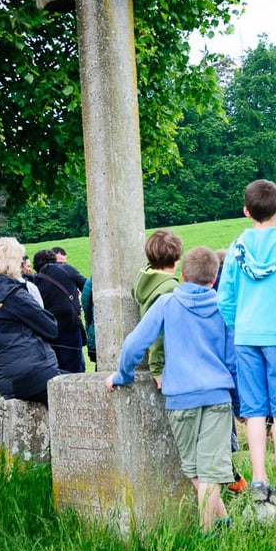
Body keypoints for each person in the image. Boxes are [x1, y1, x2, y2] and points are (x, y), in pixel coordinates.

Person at [105, 247, 237, 535]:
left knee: (196, 472)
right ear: (214, 278)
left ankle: (221, 526)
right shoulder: (224, 306)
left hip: (179, 398)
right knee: (210, 473)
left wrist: (122, 375)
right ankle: (209, 534)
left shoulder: (166, 303)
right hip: (216, 395)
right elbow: (232, 359)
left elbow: (132, 346)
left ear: (182, 275)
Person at [217, 179, 276, 507]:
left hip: (246, 336)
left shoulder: (236, 248)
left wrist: (238, 324)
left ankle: (258, 480)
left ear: (246, 211)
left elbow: (225, 298)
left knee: (254, 410)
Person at [0, 237, 60, 405]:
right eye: (20, 260)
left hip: (6, 379)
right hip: (34, 374)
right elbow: (51, 327)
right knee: (81, 397)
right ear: (12, 262)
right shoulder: (12, 294)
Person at [132, 229, 183, 389]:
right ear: (177, 258)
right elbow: (160, 332)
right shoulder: (170, 288)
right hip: (168, 361)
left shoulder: (144, 279)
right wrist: (157, 368)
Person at [33, 249, 87, 373]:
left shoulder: (35, 280)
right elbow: (88, 287)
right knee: (75, 370)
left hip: (48, 331)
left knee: (56, 371)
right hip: (70, 326)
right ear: (54, 260)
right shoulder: (66, 270)